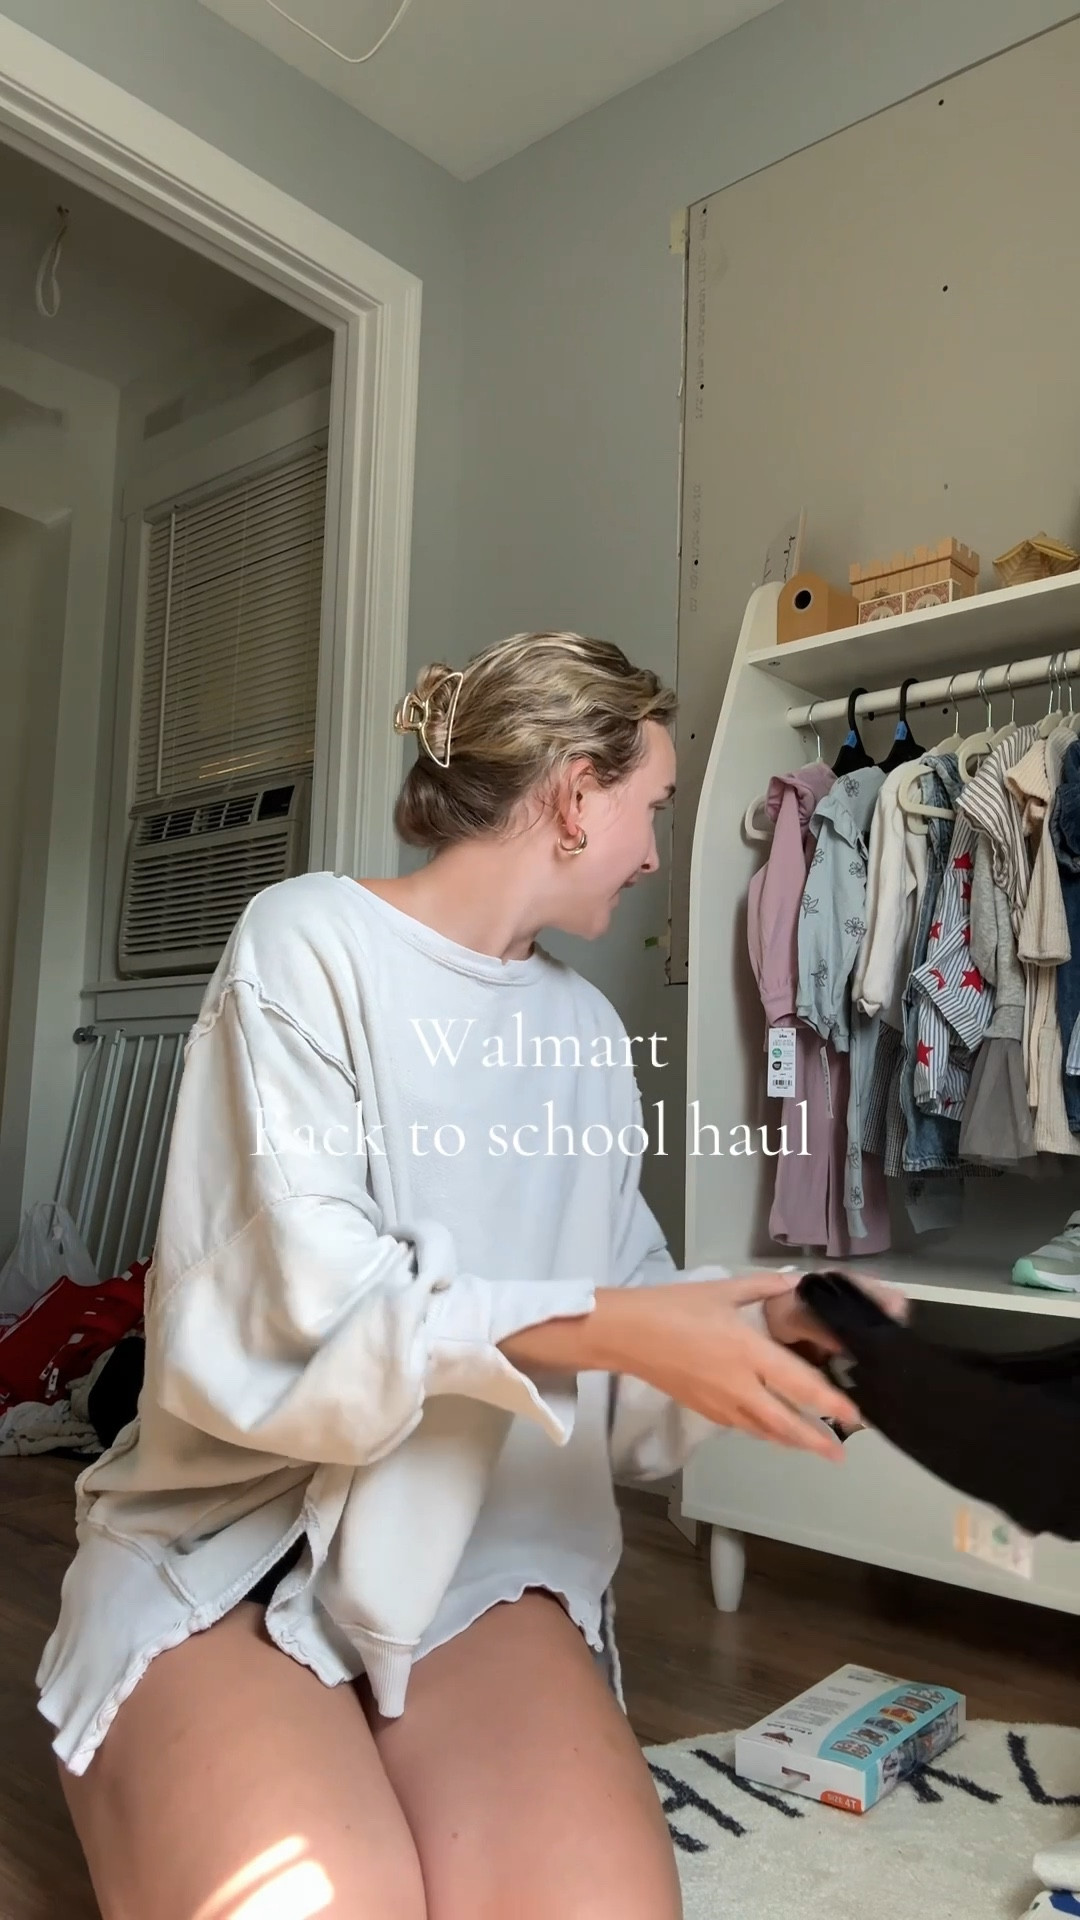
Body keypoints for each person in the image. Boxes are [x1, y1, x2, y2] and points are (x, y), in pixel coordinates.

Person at [41, 631, 893, 1920]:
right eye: (653, 807)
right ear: (574, 795)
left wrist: (761, 1329)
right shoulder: (308, 941)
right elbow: (301, 1312)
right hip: (240, 1542)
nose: (654, 853)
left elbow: (617, 1356)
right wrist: (614, 1326)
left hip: (477, 1550)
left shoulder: (586, 1035)